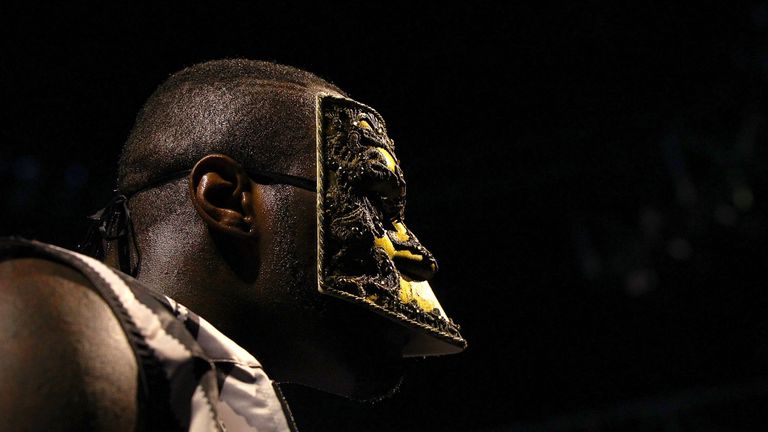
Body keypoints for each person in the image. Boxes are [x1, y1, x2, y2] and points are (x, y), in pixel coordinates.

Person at [0, 59, 465, 431]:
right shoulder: (50, 316)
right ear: (226, 199)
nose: (417, 254)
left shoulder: (215, 396)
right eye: (371, 202)